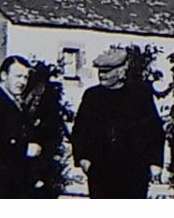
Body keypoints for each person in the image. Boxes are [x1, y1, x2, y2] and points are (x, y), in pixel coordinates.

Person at [71, 47, 165, 198]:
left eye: (107, 71)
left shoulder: (139, 95)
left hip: (134, 171)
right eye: (100, 71)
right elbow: (80, 130)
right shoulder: (92, 97)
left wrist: (155, 162)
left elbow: (154, 131)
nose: (102, 75)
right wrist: (82, 158)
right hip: (100, 170)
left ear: (121, 72)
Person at [0, 55, 41, 198]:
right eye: (18, 76)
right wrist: (25, 149)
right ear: (4, 76)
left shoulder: (11, 103)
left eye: (25, 78)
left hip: (10, 180)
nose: (22, 82)